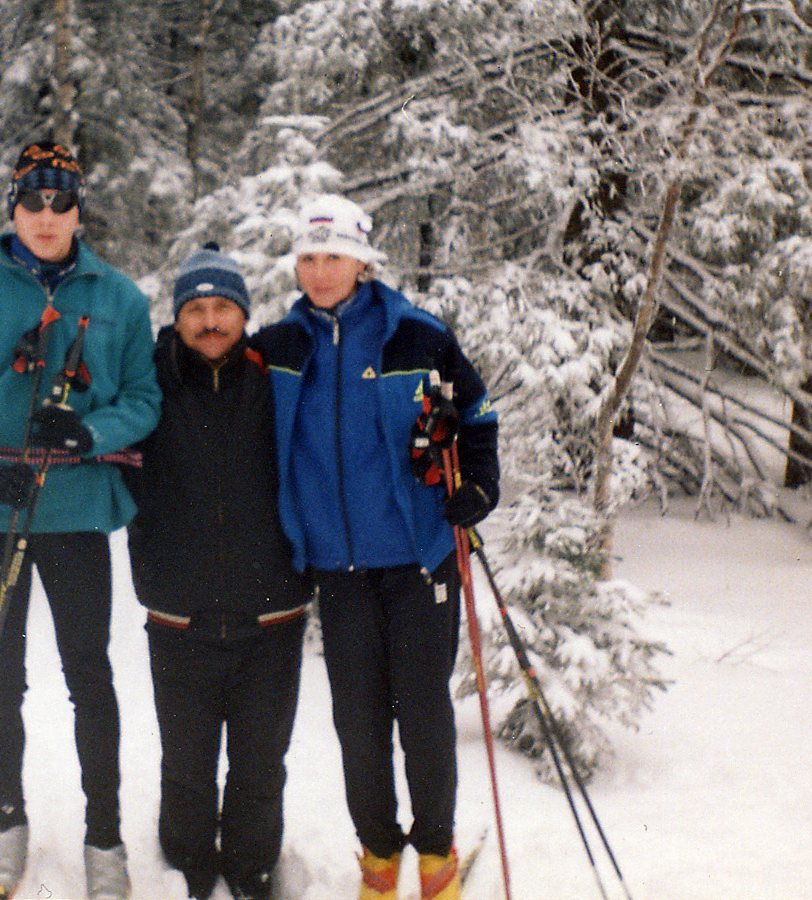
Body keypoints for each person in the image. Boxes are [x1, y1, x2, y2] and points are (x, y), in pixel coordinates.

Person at [0, 140, 161, 900]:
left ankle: (104, 836)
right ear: (12, 210)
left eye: (61, 203)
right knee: (0, 676)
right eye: (32, 203)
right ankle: (7, 823)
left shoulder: (119, 299)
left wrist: (91, 433)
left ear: (79, 209)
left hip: (78, 511)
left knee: (90, 675)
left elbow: (145, 401)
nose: (46, 218)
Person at [252, 196, 500, 900]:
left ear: (363, 260)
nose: (320, 270)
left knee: (423, 716)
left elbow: (477, 414)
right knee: (358, 725)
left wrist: (478, 485)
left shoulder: (416, 337)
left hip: (421, 558)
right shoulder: (279, 348)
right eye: (307, 257)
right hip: (337, 568)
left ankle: (437, 856)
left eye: (333, 256)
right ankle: (379, 857)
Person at [126, 246, 311, 900]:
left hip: (273, 616)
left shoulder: (277, 378)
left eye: (223, 308)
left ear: (243, 313)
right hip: (180, 616)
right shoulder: (147, 384)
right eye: (196, 309)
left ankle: (253, 869)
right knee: (187, 767)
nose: (210, 322)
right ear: (176, 318)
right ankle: (184, 868)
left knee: (261, 767)